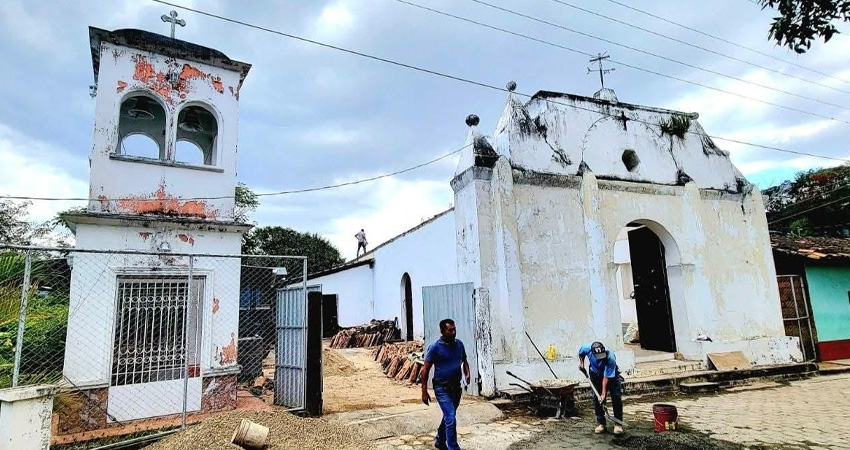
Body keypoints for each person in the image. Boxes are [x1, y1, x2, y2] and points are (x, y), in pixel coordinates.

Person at [421, 319, 470, 450]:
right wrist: (424, 391)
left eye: (454, 329)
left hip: (456, 388)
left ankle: (440, 440)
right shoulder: (435, 347)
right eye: (450, 330)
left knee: (449, 416)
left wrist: (467, 373)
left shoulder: (459, 344)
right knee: (451, 418)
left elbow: (465, 361)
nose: (453, 332)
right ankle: (453, 447)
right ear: (442, 331)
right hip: (442, 389)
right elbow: (425, 370)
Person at [578, 341, 624, 435]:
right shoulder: (586, 348)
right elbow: (581, 353)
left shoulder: (610, 357)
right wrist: (581, 363)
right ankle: (601, 424)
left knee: (616, 396)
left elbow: (606, 378)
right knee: (597, 398)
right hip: (595, 373)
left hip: (611, 375)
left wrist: (603, 394)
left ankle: (618, 424)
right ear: (592, 353)